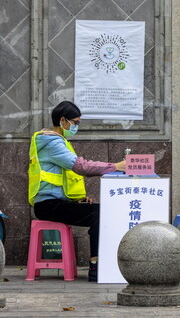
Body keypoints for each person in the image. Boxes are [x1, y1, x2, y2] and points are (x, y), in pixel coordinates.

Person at [28, 101, 126, 282]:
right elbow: (81, 166)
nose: (76, 127)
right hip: (48, 205)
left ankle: (99, 263)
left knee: (98, 211)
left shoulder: (57, 141)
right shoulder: (51, 143)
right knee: (99, 214)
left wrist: (76, 200)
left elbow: (62, 180)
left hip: (56, 202)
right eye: (75, 122)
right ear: (63, 120)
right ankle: (96, 266)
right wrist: (115, 166)